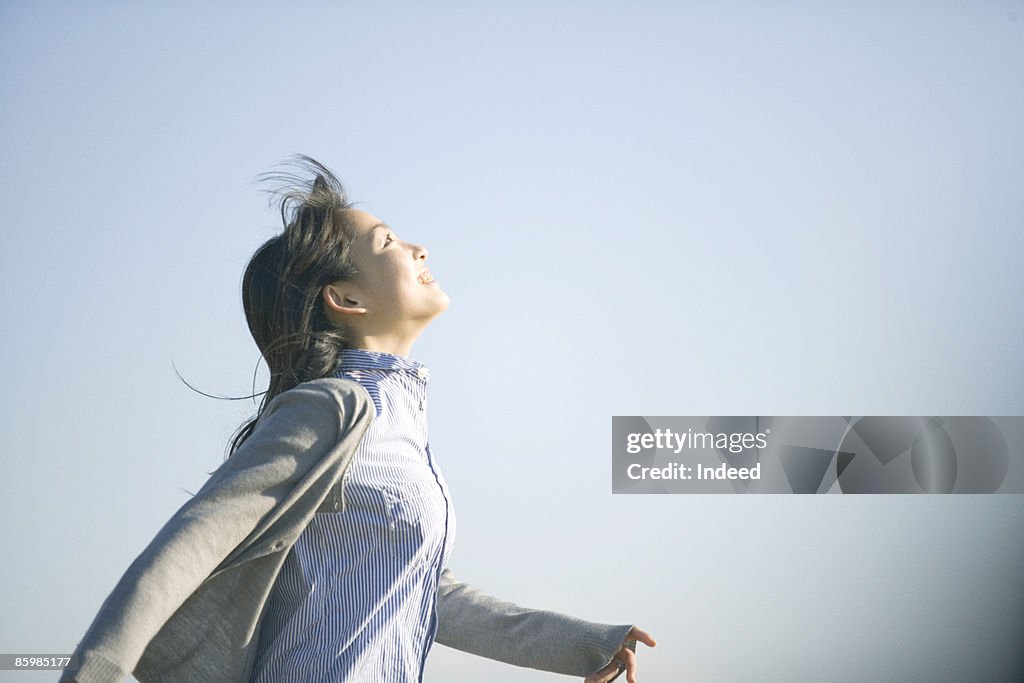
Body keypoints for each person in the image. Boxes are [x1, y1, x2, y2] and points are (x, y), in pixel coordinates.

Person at [60, 156, 656, 683]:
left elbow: (425, 593)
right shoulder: (330, 409)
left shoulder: (401, 425)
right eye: (389, 242)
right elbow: (188, 545)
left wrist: (581, 643)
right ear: (346, 300)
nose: (418, 248)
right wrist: (97, 672)